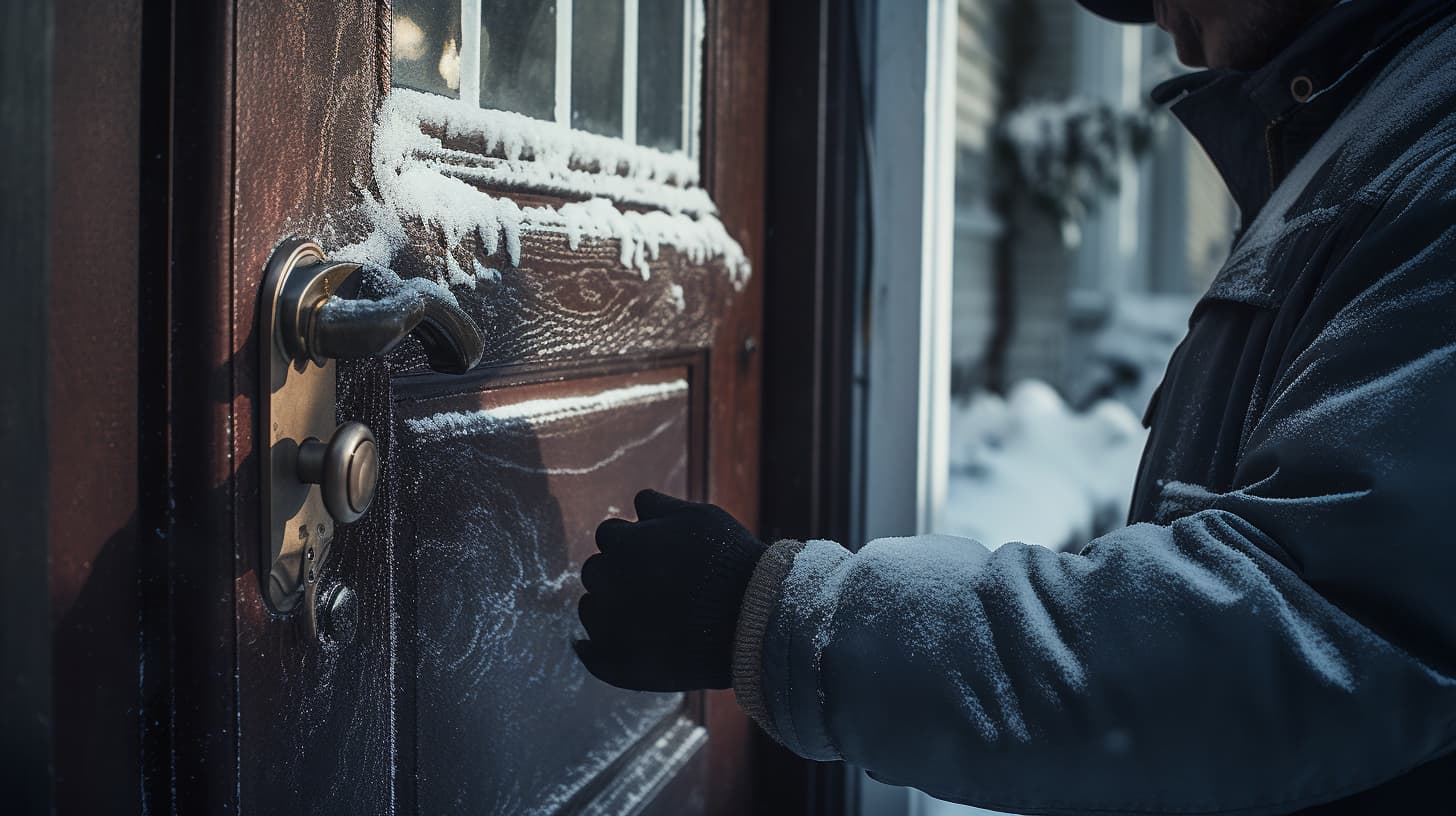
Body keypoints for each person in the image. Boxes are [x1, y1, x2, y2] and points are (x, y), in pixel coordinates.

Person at [574, 0, 1456, 812]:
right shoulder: (1370, 130)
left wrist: (773, 616)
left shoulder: (1431, 150)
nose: (1173, 37)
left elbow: (1308, 632)